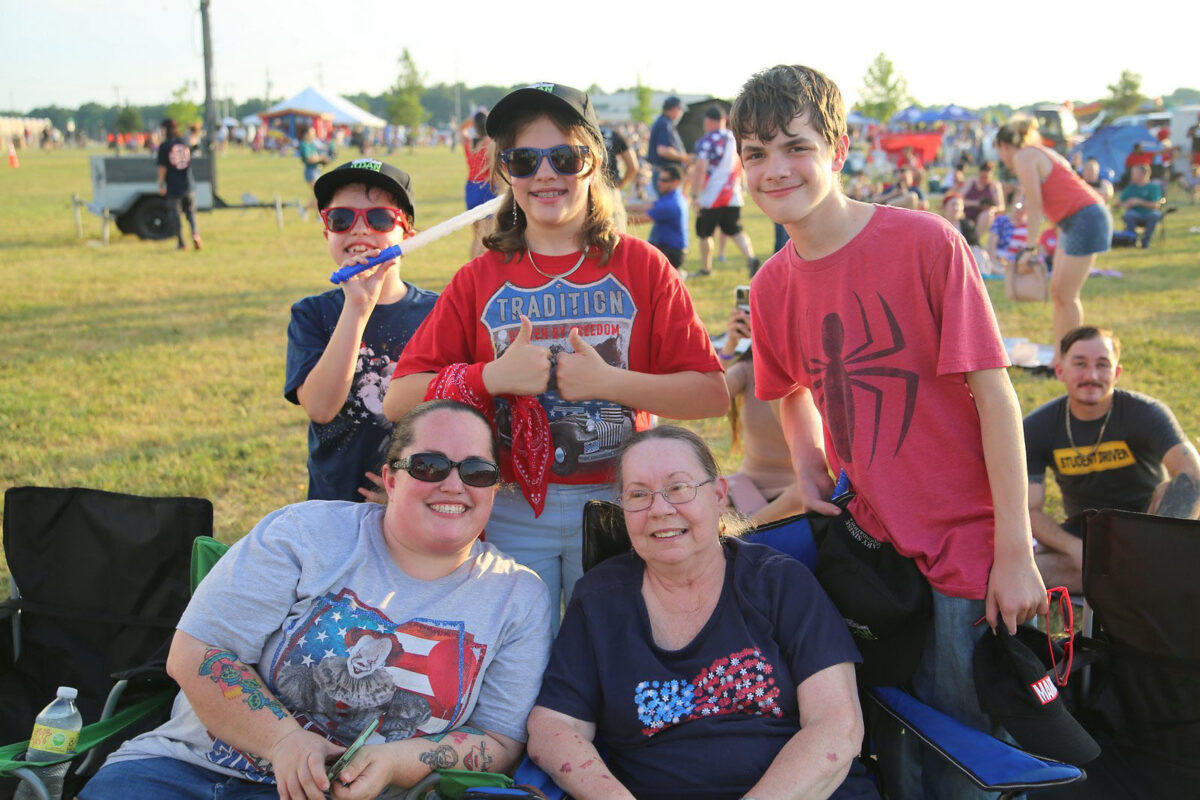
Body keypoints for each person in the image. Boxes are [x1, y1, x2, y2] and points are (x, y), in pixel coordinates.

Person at [731, 64, 1046, 799]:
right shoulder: (774, 283)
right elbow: (787, 389)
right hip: (872, 553)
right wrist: (807, 461)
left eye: (794, 146)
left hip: (967, 550)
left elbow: (995, 396)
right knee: (895, 738)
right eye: (754, 153)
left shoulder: (925, 243)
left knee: (969, 750)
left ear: (837, 148)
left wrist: (1015, 549)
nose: (775, 169)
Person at [82, 400, 553, 800]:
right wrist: (284, 741)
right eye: (429, 466)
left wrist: (396, 762)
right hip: (191, 773)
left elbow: (497, 738)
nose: (454, 485)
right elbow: (196, 653)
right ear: (390, 479)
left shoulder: (517, 596)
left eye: (476, 470)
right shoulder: (306, 533)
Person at [383, 83, 727, 625]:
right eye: (523, 160)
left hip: (625, 503)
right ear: (507, 175)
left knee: (614, 656)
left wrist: (609, 382)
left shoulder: (644, 266)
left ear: (594, 165)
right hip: (512, 508)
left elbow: (709, 392)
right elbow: (398, 399)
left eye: (565, 157)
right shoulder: (478, 280)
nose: (545, 174)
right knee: (523, 670)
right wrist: (490, 376)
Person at [527, 426, 877, 800]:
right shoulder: (599, 600)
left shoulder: (780, 582)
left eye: (678, 488)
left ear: (718, 495)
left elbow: (837, 724)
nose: (660, 509)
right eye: (639, 495)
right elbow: (553, 726)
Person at [285, 159, 438, 502]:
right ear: (327, 232)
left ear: (407, 233)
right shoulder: (311, 314)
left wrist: (412, 487)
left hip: (417, 502)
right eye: (341, 220)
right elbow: (321, 409)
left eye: (379, 218)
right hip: (334, 508)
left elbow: (453, 418)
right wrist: (357, 307)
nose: (359, 230)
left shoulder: (438, 312)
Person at [1025, 327, 1200, 593]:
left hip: (1148, 526)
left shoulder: (1145, 413)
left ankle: (1139, 573)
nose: (1091, 376)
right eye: (1080, 364)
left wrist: (1157, 546)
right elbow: (1028, 509)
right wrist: (1075, 549)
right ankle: (1134, 579)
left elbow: (1193, 477)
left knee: (1180, 488)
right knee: (1022, 571)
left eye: (1103, 365)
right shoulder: (1038, 426)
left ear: (1116, 373)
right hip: (1086, 534)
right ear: (1060, 370)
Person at [996, 118, 1112, 351]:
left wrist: (1030, 247)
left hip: (1084, 218)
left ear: (1004, 146)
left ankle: (1072, 355)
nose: (1000, 158)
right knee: (1059, 293)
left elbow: (1037, 204)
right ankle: (1060, 355)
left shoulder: (1023, 157)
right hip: (1075, 219)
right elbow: (1036, 195)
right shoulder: (1034, 154)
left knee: (1067, 295)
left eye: (997, 151)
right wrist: (1021, 206)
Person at [717, 305, 796, 525]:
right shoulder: (749, 369)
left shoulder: (807, 371)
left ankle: (746, 531)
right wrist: (729, 346)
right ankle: (748, 531)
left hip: (794, 495)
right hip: (745, 488)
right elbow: (709, 398)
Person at [691, 106, 759, 278]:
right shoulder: (735, 139)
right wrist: (742, 187)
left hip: (711, 196)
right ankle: (751, 258)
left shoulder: (707, 141)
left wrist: (695, 195)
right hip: (732, 195)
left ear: (709, 121)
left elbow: (700, 168)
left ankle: (706, 268)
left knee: (705, 233)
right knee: (735, 230)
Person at [626, 163, 689, 270]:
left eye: (664, 180)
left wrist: (610, 218)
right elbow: (647, 206)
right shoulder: (674, 196)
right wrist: (621, 207)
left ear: (675, 182)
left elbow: (638, 220)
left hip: (672, 252)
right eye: (659, 179)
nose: (659, 183)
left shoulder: (671, 204)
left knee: (631, 258)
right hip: (668, 248)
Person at [156, 118, 201, 251]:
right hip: (188, 183)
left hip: (174, 186)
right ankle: (195, 234)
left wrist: (160, 184)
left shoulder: (164, 146)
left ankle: (181, 243)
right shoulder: (184, 142)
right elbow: (195, 140)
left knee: (175, 215)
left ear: (165, 130)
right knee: (191, 213)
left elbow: (162, 168)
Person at [460, 110, 498, 259]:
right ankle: (479, 268)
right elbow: (494, 168)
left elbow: (460, 129)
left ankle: (473, 265)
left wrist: (471, 118)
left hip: (471, 187)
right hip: (485, 187)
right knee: (486, 234)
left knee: (476, 235)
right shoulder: (490, 143)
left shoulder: (468, 142)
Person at [601, 122, 639, 232]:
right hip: (610, 188)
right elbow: (633, 166)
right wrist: (620, 185)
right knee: (618, 234)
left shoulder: (581, 131)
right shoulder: (613, 134)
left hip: (585, 191)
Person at [646, 95, 689, 193]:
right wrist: (685, 157)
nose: (681, 113)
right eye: (680, 110)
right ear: (674, 109)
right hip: (665, 175)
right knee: (667, 206)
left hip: (665, 173)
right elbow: (663, 150)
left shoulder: (665, 122)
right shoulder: (664, 124)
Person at [1119, 163, 1164, 247]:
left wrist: (1139, 202)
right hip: (1134, 214)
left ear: (1143, 174)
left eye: (1134, 174)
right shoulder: (1130, 187)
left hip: (1149, 214)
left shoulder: (1153, 187)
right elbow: (1118, 203)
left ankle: (1146, 241)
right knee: (1129, 215)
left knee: (1154, 215)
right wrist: (1126, 203)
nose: (1131, 176)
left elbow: (1156, 205)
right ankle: (1131, 240)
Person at [958, 160, 1005, 230]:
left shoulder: (994, 186)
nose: (983, 180)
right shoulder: (971, 182)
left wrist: (992, 209)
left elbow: (1001, 207)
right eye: (981, 177)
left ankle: (976, 238)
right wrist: (976, 203)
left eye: (986, 177)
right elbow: (958, 199)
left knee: (987, 215)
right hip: (966, 213)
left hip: (984, 216)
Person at [299, 124, 330, 217]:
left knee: (318, 194)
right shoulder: (304, 145)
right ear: (306, 134)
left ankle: (317, 214)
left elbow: (317, 155)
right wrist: (321, 158)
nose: (313, 134)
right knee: (319, 194)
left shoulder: (312, 143)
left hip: (316, 170)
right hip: (310, 172)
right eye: (311, 133)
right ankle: (305, 209)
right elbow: (309, 158)